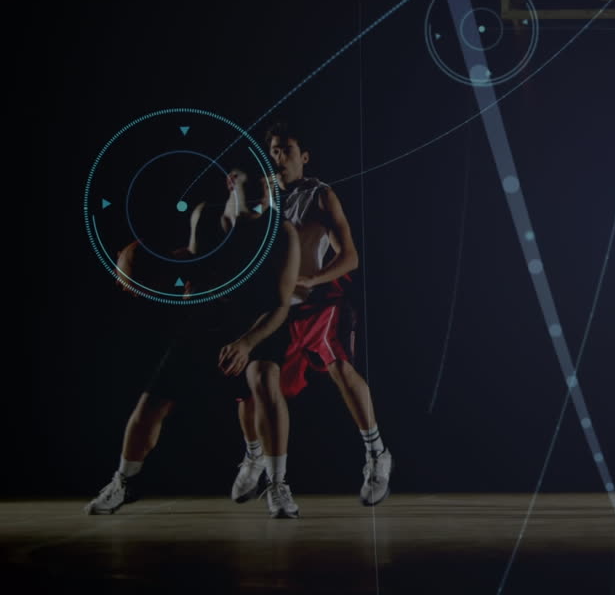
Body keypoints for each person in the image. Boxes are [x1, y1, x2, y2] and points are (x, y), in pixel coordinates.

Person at [86, 186, 303, 518]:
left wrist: (246, 343)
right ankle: (124, 482)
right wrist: (133, 256)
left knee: (263, 378)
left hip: (257, 323)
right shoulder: (205, 214)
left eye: (266, 185)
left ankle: (276, 484)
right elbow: (194, 259)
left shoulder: (281, 231)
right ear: (232, 181)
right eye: (253, 184)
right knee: (150, 404)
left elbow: (281, 304)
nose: (262, 192)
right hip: (208, 320)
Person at [230, 122, 392, 507]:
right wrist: (235, 195)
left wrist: (314, 278)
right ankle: (254, 457)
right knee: (252, 389)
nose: (278, 157)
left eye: (286, 149)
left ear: (304, 156)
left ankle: (377, 455)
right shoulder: (262, 198)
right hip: (274, 310)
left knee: (340, 369)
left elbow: (350, 255)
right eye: (272, 150)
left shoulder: (320, 195)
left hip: (318, 305)